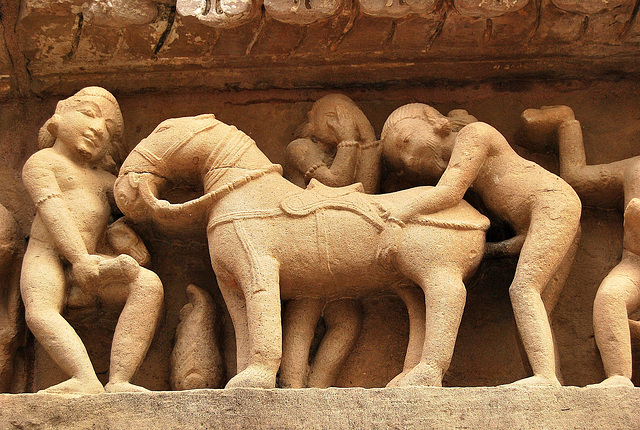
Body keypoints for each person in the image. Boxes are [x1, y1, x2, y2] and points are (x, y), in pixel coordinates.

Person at [380, 103, 581, 386]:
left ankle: (544, 377)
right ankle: (551, 379)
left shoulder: (475, 134)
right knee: (537, 306)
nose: (410, 160)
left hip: (551, 203)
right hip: (536, 219)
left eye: (405, 142)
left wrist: (399, 214)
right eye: (402, 162)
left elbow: (449, 192)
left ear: (432, 120)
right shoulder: (471, 171)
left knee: (524, 288)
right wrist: (493, 251)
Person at [21, 86, 164, 394]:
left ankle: (120, 380)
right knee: (39, 309)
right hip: (49, 257)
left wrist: (144, 192)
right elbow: (53, 211)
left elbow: (138, 206)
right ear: (60, 113)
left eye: (109, 131)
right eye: (88, 114)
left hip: (93, 264)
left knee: (148, 285)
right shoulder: (43, 163)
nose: (99, 129)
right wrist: (79, 259)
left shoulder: (103, 181)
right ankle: (83, 377)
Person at [521, 105, 639, 387]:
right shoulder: (635, 167)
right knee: (610, 298)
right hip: (635, 263)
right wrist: (566, 125)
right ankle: (619, 378)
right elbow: (577, 178)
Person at [281, 94, 380, 388]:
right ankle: (292, 384)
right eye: (335, 116)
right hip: (305, 242)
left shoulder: (347, 152)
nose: (342, 122)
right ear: (315, 120)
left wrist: (369, 140)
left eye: (347, 115)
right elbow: (334, 182)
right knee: (304, 310)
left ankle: (319, 386)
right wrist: (349, 140)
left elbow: (367, 194)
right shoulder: (300, 148)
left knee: (348, 319)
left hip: (337, 248)